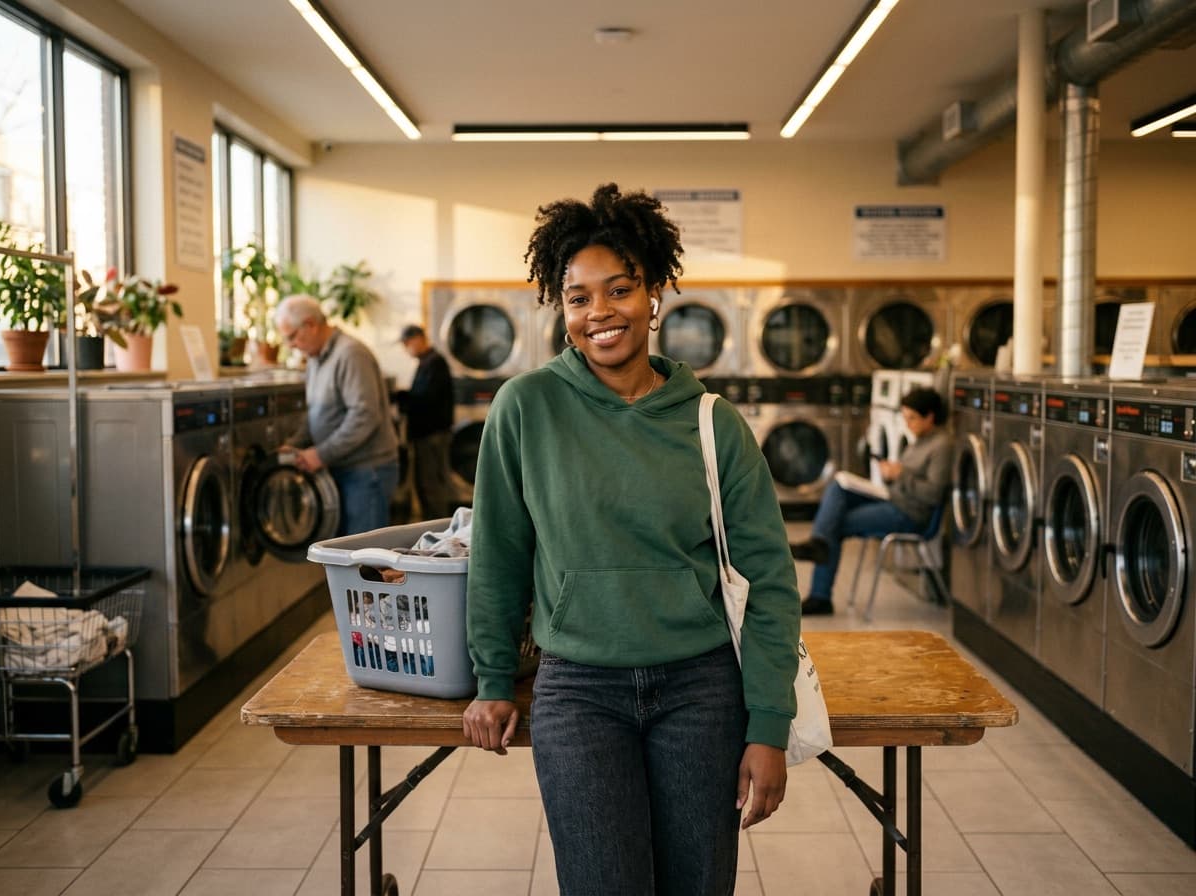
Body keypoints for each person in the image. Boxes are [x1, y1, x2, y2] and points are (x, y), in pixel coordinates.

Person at [461, 184, 802, 895]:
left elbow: (768, 577)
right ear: (561, 308)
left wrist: (769, 724)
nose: (600, 313)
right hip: (578, 690)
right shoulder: (526, 409)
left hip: (701, 689)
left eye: (619, 289)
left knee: (698, 886)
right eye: (579, 297)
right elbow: (498, 554)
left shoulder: (713, 422)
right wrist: (494, 678)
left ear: (652, 294)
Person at [790, 386, 952, 615]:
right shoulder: (918, 440)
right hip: (893, 500)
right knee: (838, 485)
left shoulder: (941, 446)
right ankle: (818, 549)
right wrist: (889, 475)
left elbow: (932, 494)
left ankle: (820, 592)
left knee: (833, 525)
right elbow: (904, 481)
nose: (907, 424)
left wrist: (900, 474)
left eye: (913, 418)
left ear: (930, 417)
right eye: (905, 418)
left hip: (910, 514)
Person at [276, 294, 401, 536]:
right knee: (346, 556)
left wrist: (321, 453)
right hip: (343, 467)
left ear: (310, 325)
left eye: (291, 337)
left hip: (366, 472)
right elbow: (317, 412)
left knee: (364, 559)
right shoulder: (316, 359)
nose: (290, 345)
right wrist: (295, 445)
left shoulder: (351, 354)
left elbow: (364, 416)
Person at [395, 324, 457, 520]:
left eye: (407, 343)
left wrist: (400, 399)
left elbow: (426, 400)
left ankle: (438, 530)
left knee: (431, 486)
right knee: (424, 485)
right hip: (425, 435)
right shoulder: (426, 362)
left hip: (432, 436)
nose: (406, 348)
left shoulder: (435, 363)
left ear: (419, 339)